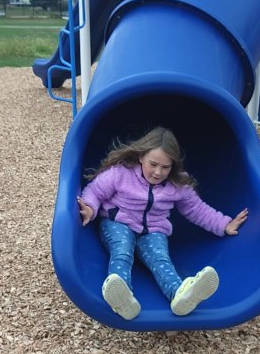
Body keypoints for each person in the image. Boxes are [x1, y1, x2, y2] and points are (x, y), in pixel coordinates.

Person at [77, 126, 249, 320]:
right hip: (118, 222)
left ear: (173, 166)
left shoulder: (177, 184)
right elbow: (95, 191)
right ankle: (122, 298)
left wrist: (224, 224)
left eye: (165, 167)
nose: (158, 172)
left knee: (160, 260)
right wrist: (90, 208)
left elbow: (197, 209)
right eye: (153, 164)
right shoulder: (121, 173)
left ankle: (180, 295)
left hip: (154, 229)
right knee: (122, 250)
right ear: (141, 157)